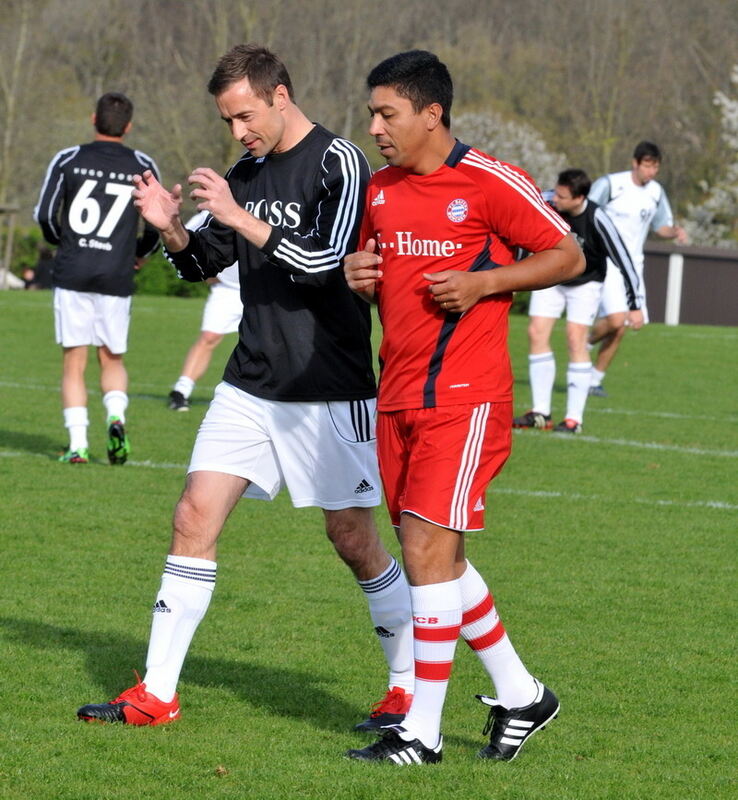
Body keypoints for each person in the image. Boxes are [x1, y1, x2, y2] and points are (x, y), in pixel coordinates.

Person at [76, 44, 414, 732]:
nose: (238, 133)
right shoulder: (246, 172)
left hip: (330, 384)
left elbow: (330, 262)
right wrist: (171, 225)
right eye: (228, 121)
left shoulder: (338, 161)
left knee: (352, 538)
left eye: (245, 116)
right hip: (251, 380)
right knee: (193, 516)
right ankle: (157, 693)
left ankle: (407, 685)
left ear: (280, 95)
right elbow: (203, 262)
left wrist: (238, 216)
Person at [343, 50, 584, 765]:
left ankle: (420, 733)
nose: (377, 128)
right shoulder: (380, 189)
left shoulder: (487, 182)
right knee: (438, 558)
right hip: (398, 394)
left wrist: (488, 284)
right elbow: (372, 263)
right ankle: (522, 693)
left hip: (466, 397)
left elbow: (566, 255)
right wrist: (359, 274)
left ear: (431, 114)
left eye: (387, 114)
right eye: (372, 115)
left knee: (423, 548)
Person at [34, 92, 160, 464]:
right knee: (112, 359)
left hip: (73, 272)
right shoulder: (143, 163)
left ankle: (77, 446)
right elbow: (157, 218)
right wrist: (140, 253)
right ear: (129, 126)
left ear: (93, 119)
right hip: (116, 275)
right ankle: (116, 418)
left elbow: (44, 214)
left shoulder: (68, 158)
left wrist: (64, 244)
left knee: (74, 361)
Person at [513, 168, 641, 434]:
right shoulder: (547, 202)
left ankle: (573, 419)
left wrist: (635, 304)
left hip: (586, 283)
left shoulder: (598, 217)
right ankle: (540, 412)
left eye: (562, 196)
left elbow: (623, 259)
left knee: (575, 337)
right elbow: (523, 231)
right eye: (556, 192)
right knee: (536, 331)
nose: (555, 199)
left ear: (579, 197)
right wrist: (514, 272)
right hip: (550, 276)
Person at [587, 141, 688, 396]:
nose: (651, 172)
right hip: (607, 261)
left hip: (633, 267)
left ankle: (594, 380)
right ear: (635, 163)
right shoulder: (611, 184)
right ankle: (582, 345)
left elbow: (660, 226)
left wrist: (674, 232)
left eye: (655, 167)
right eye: (647, 165)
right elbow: (586, 213)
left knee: (625, 326)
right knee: (616, 318)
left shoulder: (655, 192)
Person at [167, 210, 243, 412]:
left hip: (266, 291)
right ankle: (181, 391)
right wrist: (204, 273)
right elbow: (181, 242)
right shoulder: (215, 210)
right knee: (209, 337)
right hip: (228, 290)